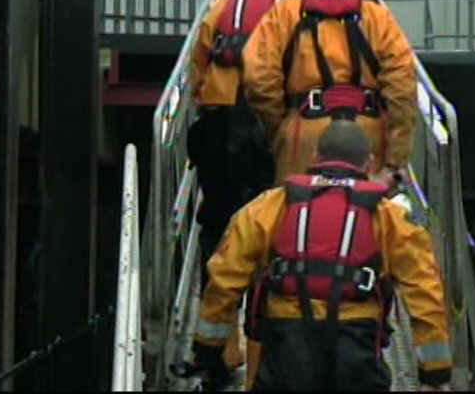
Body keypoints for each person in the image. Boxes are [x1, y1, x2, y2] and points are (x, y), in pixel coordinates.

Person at [189, 121, 453, 391]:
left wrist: (207, 350)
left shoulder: (269, 206)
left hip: (286, 345)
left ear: (315, 156)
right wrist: (436, 373)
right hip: (356, 346)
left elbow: (224, 278)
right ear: (369, 163)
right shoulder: (390, 218)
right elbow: (424, 290)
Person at [187, 0, 313, 374]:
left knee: (218, 227)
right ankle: (265, 345)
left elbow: (198, 63)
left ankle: (222, 346)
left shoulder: (226, 3)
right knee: (274, 230)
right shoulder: (299, 7)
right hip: (271, 122)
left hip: (218, 123)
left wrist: (206, 107)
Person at [242, 0, 417, 192]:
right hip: (366, 138)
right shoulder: (378, 16)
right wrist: (396, 158)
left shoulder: (286, 10)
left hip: (303, 133)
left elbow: (258, 76)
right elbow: (403, 85)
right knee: (365, 213)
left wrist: (282, 126)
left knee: (297, 210)